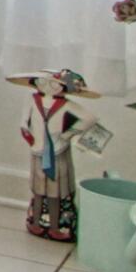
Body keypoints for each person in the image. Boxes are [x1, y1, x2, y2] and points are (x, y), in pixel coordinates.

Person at [8, 70, 95, 241]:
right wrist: (26, 131)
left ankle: (55, 227)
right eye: (42, 82)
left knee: (56, 191)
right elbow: (24, 120)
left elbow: (89, 118)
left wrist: (68, 134)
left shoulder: (67, 105)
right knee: (38, 189)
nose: (48, 86)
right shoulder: (32, 100)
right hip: (38, 149)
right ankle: (36, 222)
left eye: (54, 83)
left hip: (57, 151)